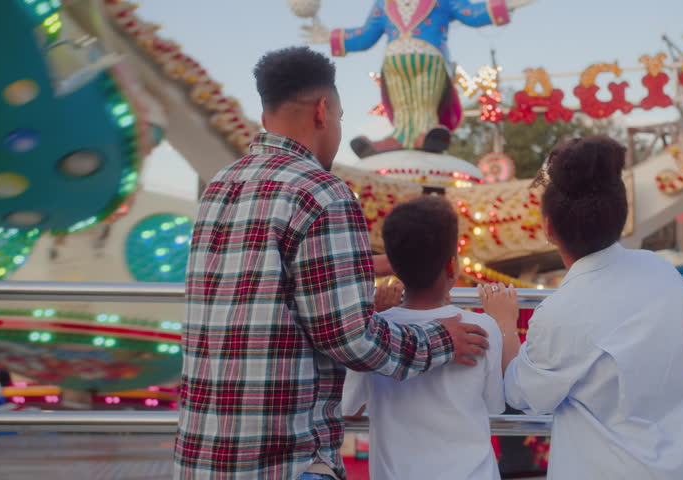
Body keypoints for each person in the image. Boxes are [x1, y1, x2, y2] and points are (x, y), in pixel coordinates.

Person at [175, 46, 490, 480]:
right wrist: (442, 339)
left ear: (267, 116)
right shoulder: (323, 192)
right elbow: (353, 340)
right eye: (340, 118)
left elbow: (267, 280)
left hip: (203, 456)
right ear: (323, 111)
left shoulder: (220, 187)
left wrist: (362, 265)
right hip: (285, 459)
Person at [484, 136, 683, 479]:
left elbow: (522, 395)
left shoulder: (560, 312)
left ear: (549, 229)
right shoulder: (662, 272)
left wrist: (503, 324)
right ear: (620, 216)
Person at [342, 195, 518, 479]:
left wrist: (375, 312)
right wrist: (505, 323)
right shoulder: (482, 326)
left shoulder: (374, 332)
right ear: (451, 267)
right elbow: (494, 404)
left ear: (395, 267)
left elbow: (350, 407)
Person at [303, 0, 537, 157]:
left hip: (430, 58)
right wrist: (328, 36)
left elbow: (471, 14)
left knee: (425, 105)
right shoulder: (384, 4)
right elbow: (365, 36)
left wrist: (504, 5)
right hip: (394, 62)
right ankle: (399, 138)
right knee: (403, 108)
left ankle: (428, 136)